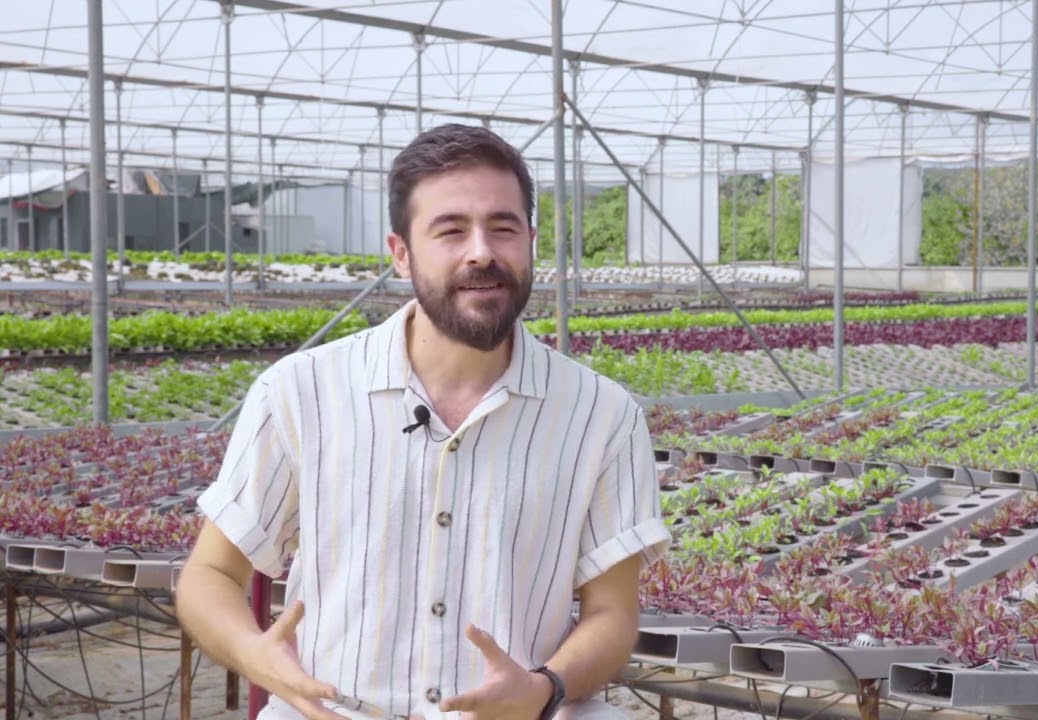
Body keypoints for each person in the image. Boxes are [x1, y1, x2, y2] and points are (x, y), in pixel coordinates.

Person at [175, 123, 672, 720]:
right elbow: (210, 573)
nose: (481, 251)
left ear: (531, 241)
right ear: (401, 252)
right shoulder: (300, 392)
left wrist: (544, 689)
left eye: (504, 228)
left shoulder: (602, 415)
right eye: (451, 230)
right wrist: (255, 654)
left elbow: (612, 613)